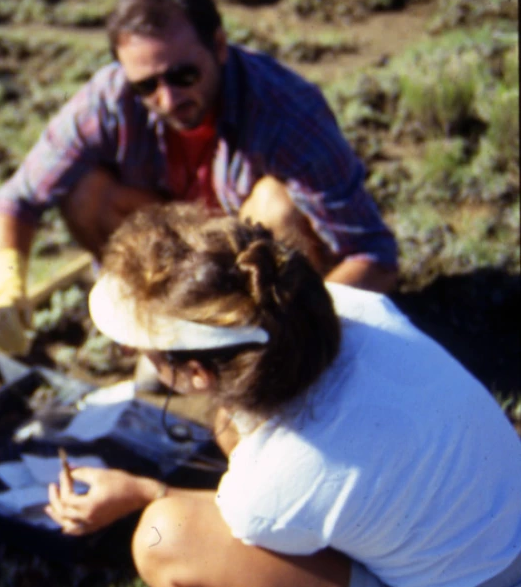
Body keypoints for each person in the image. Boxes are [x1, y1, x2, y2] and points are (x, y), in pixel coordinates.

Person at [44, 204, 521, 587]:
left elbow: (244, 511)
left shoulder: (273, 488)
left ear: (196, 373)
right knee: (229, 426)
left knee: (164, 536)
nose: (133, 352)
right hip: (500, 527)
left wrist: (144, 494)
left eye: (143, 346)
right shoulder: (352, 307)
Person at [0, 0, 400, 364]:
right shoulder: (109, 100)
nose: (167, 100)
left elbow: (374, 257)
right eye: (146, 85)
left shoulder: (285, 111)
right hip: (176, 256)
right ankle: (161, 329)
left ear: (219, 46)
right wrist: (7, 287)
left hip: (255, 271)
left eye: (183, 75)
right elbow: (16, 203)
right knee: (85, 193)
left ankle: (271, 341)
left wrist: (303, 325)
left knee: (278, 206)